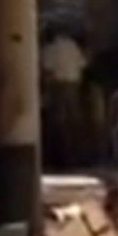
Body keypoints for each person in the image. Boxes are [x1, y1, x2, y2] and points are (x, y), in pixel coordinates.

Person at [40, 28, 87, 168]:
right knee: (74, 121)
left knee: (58, 122)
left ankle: (61, 158)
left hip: (58, 86)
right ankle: (78, 156)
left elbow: (47, 70)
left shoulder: (49, 49)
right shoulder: (72, 45)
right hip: (74, 84)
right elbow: (83, 64)